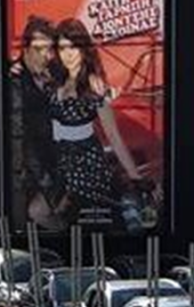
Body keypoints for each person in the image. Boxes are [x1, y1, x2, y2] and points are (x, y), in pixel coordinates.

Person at [48, 18, 148, 229]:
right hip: (61, 166)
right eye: (62, 48)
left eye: (73, 47)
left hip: (87, 171)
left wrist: (136, 177)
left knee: (84, 232)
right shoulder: (56, 81)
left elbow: (113, 136)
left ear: (84, 49)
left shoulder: (94, 86)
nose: (68, 54)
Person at [9, 16, 60, 228]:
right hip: (24, 173)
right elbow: (21, 133)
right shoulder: (14, 79)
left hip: (52, 164)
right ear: (26, 48)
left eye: (48, 50)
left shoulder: (55, 75)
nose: (45, 56)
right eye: (38, 49)